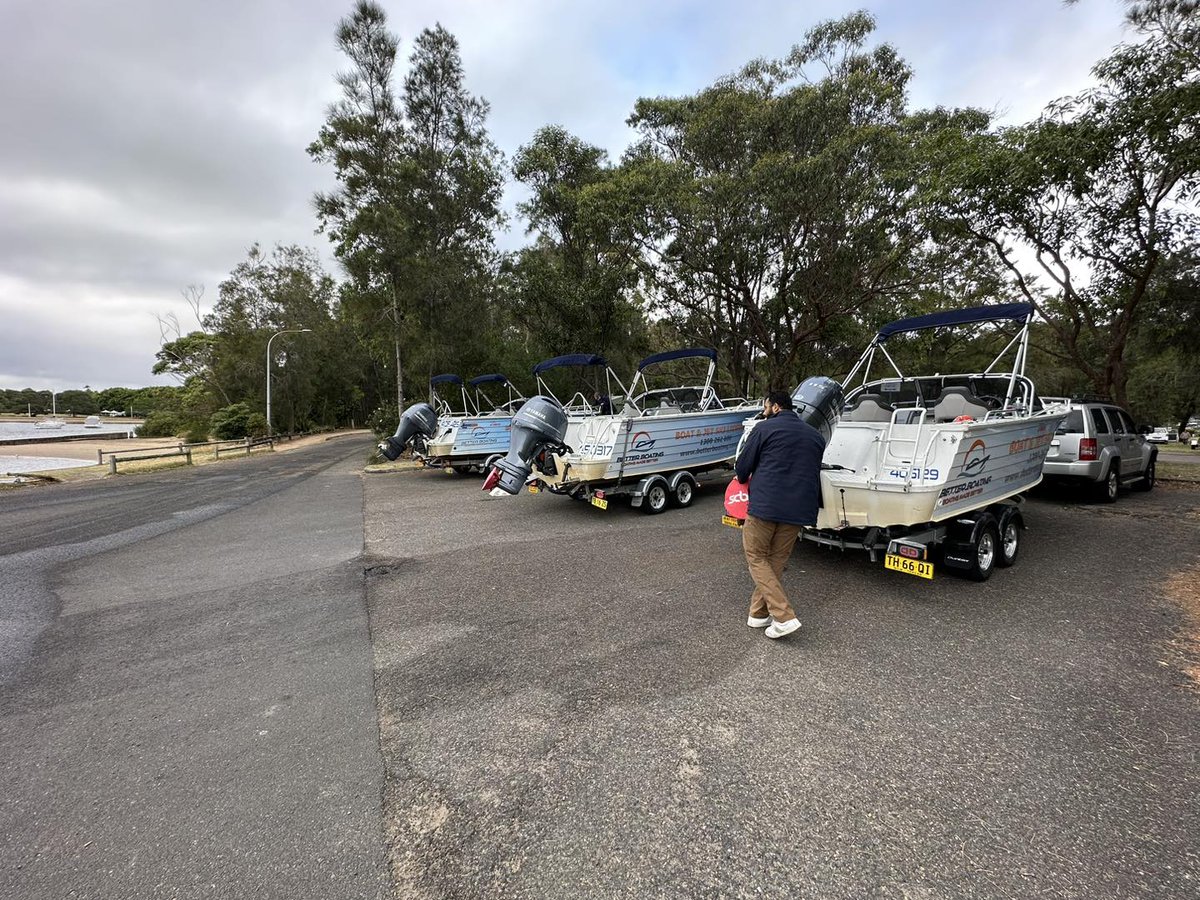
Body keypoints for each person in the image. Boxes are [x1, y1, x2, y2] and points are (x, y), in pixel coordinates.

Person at [734, 390, 826, 639]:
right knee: (775, 560)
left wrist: (741, 479)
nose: (764, 409)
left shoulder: (765, 428)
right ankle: (757, 614)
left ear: (775, 407)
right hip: (799, 509)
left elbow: (743, 466)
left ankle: (784, 616)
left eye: (765, 405)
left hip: (766, 504)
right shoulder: (816, 436)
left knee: (756, 555)